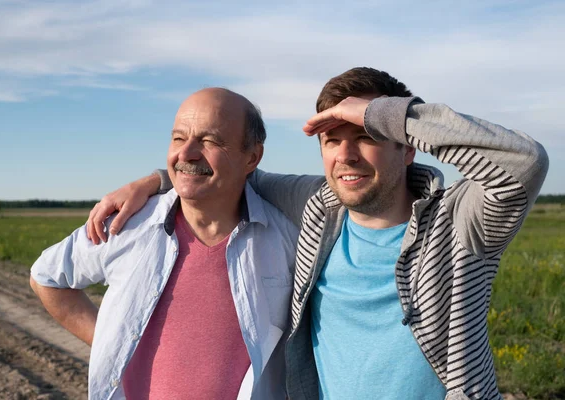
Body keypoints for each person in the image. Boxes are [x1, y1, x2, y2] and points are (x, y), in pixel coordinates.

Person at [87, 67, 549, 400]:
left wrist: (384, 112)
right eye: (331, 140)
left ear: (405, 147)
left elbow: (523, 163)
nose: (345, 155)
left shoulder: (461, 220)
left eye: (364, 135)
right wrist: (152, 180)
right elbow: (224, 168)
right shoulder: (316, 205)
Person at [30, 88, 300, 400]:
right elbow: (47, 278)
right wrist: (113, 343)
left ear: (252, 157)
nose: (186, 154)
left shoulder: (285, 238)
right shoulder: (127, 223)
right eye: (178, 138)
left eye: (210, 140)